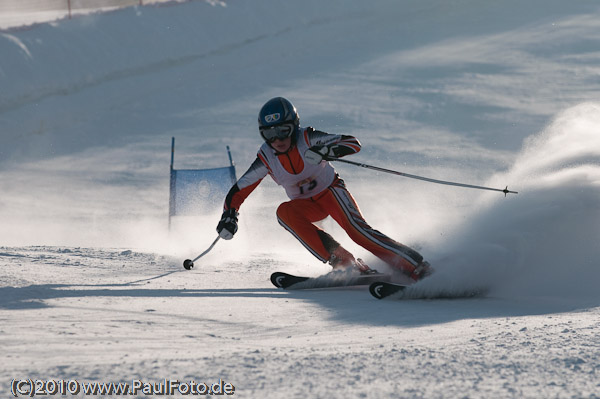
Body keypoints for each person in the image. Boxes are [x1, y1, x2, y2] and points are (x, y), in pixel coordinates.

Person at [216, 97, 432, 280]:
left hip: (331, 193)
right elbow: (240, 190)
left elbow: (353, 143)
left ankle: (415, 265)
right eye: (270, 134)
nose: (278, 139)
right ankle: (346, 263)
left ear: (294, 126)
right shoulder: (266, 157)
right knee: (284, 212)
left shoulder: (308, 138)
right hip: (306, 205)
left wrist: (327, 150)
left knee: (357, 231)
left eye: (283, 131)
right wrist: (230, 215)